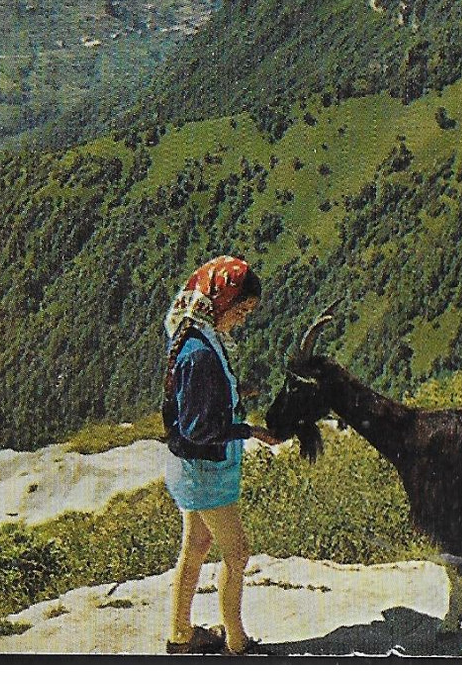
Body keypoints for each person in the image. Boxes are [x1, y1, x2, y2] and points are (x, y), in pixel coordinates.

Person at [162, 255, 280, 655]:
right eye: (241, 310)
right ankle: (237, 644)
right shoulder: (200, 354)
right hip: (205, 473)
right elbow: (199, 429)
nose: (242, 319)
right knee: (237, 553)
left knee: (195, 546)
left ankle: (181, 637)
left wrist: (233, 395)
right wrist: (249, 431)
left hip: (192, 467)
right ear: (222, 301)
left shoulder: (197, 332)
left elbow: (197, 405)